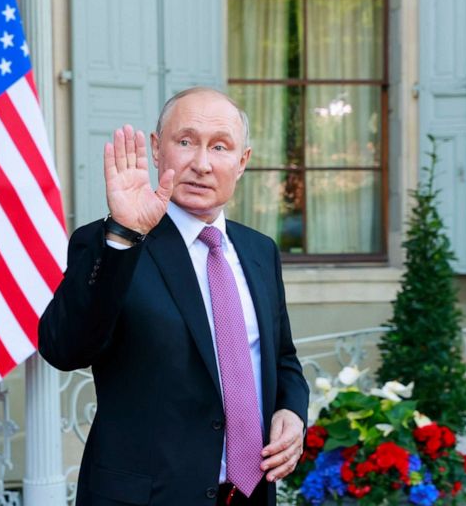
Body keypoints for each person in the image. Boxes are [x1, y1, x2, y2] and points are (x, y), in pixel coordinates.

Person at [39, 87, 309, 506]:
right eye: (185, 142)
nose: (201, 164)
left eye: (220, 147)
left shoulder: (260, 251)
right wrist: (123, 236)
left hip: (249, 494)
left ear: (242, 162)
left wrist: (291, 412)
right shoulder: (111, 242)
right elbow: (63, 348)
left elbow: (283, 358)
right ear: (155, 149)